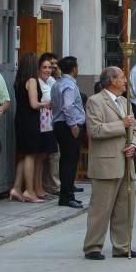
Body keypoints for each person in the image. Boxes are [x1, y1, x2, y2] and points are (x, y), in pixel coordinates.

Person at [82, 67, 136, 260]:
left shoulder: (126, 102)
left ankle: (122, 246)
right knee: (101, 208)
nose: (126, 81)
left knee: (126, 208)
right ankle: (93, 246)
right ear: (112, 81)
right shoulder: (96, 101)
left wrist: (134, 145)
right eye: (123, 78)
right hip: (106, 163)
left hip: (126, 162)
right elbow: (95, 130)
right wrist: (121, 125)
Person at [9, 52, 49, 203]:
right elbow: (34, 104)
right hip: (30, 120)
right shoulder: (32, 80)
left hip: (20, 119)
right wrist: (46, 103)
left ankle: (17, 188)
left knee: (24, 154)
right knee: (31, 154)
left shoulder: (19, 80)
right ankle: (29, 191)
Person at [52, 56, 86, 209]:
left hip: (59, 124)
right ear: (74, 69)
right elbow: (68, 106)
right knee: (69, 162)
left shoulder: (57, 84)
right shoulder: (69, 85)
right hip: (68, 126)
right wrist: (73, 125)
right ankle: (66, 196)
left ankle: (67, 193)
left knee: (66, 160)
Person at [35, 54, 58, 199]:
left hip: (50, 121)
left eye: (50, 67)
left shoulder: (51, 81)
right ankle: (38, 187)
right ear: (38, 69)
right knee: (40, 156)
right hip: (41, 120)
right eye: (44, 67)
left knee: (45, 155)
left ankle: (42, 186)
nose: (48, 70)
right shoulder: (36, 83)